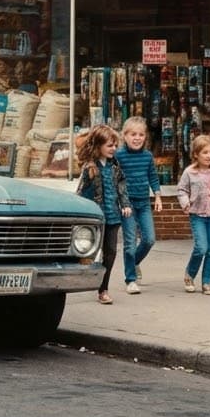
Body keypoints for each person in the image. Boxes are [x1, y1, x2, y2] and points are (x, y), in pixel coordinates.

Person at [76, 124, 132, 305]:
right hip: (95, 218)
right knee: (90, 253)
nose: (114, 149)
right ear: (98, 146)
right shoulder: (90, 168)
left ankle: (103, 289)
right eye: (110, 145)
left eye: (115, 145)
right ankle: (86, 280)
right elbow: (81, 193)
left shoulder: (115, 167)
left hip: (113, 217)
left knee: (110, 252)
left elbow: (122, 186)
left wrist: (125, 204)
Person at [176, 134, 210, 295]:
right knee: (201, 247)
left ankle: (207, 282)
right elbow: (181, 189)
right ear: (196, 155)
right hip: (197, 214)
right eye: (205, 152)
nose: (209, 156)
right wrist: (185, 203)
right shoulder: (190, 172)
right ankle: (189, 274)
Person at [116, 115, 162, 294]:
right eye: (133, 134)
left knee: (149, 239)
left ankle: (133, 262)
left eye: (141, 135)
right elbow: (116, 180)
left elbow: (152, 176)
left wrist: (157, 196)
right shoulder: (119, 156)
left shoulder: (147, 156)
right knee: (130, 242)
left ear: (145, 137)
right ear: (125, 136)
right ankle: (130, 280)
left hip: (143, 203)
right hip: (127, 205)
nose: (137, 138)